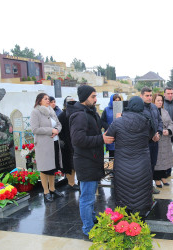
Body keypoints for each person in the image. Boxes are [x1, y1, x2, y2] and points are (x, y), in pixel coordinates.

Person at [67, 85, 114, 238]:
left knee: (90, 196)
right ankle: (88, 228)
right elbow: (77, 139)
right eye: (93, 96)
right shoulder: (80, 115)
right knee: (86, 198)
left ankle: (91, 220)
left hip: (92, 160)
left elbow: (99, 128)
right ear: (85, 97)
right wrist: (101, 138)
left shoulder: (90, 112)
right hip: (86, 162)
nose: (96, 99)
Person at [106, 96, 153, 217]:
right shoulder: (147, 121)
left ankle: (126, 219)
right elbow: (150, 136)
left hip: (122, 164)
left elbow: (109, 137)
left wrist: (116, 121)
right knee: (141, 191)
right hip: (142, 163)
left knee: (124, 190)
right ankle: (140, 219)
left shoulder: (118, 121)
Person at [30, 93, 64, 202]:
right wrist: (51, 130)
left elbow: (59, 124)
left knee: (52, 167)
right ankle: (46, 192)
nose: (48, 100)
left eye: (48, 99)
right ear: (39, 100)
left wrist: (57, 130)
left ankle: (53, 188)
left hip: (54, 142)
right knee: (45, 168)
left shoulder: (51, 110)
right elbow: (35, 129)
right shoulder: (36, 112)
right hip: (43, 144)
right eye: (45, 99)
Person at [141, 87, 163, 194]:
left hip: (155, 141)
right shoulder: (139, 109)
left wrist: (158, 132)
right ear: (142, 96)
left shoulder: (154, 107)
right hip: (145, 143)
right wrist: (151, 136)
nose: (149, 98)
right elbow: (140, 126)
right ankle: (144, 188)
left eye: (150, 95)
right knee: (145, 165)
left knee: (153, 164)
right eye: (147, 95)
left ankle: (150, 186)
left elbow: (159, 121)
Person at [58, 96, 79, 191]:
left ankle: (73, 182)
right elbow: (61, 130)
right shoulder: (62, 115)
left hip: (74, 143)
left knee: (74, 164)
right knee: (69, 165)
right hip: (66, 144)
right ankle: (71, 183)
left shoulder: (75, 113)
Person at [152, 94, 173, 188]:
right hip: (156, 139)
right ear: (154, 101)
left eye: (161, 101)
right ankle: (156, 178)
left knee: (165, 158)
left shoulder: (165, 111)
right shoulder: (151, 111)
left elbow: (170, 123)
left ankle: (163, 176)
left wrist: (168, 130)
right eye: (158, 100)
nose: (160, 102)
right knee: (157, 159)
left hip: (165, 139)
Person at [101, 93, 122, 159]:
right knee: (112, 155)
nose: (117, 102)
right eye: (115, 101)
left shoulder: (122, 109)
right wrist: (109, 127)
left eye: (118, 101)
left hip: (120, 134)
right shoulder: (107, 110)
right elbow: (102, 121)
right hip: (111, 134)